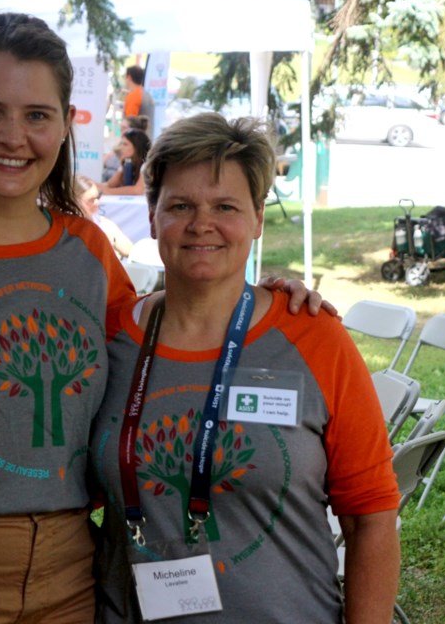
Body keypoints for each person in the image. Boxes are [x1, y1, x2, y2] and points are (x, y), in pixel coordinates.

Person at [0, 13, 328, 624]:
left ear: (64, 125)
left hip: (68, 579)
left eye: (36, 115)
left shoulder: (87, 253)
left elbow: (170, 331)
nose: (12, 136)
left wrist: (261, 297)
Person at [90, 113, 400, 623]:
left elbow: (371, 517)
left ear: (257, 218)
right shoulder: (108, 339)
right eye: (180, 205)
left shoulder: (313, 336)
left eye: (225, 206)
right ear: (151, 216)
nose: (201, 223)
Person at [76, 174, 132, 259]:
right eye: (91, 200)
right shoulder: (64, 228)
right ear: (75, 201)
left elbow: (129, 251)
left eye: (98, 197)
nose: (97, 203)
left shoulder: (105, 224)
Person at [98, 128, 150, 196]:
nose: (121, 148)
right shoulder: (127, 163)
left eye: (125, 144)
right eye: (121, 144)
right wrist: (89, 185)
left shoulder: (147, 165)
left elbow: (137, 190)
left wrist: (107, 191)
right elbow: (109, 185)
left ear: (137, 147)